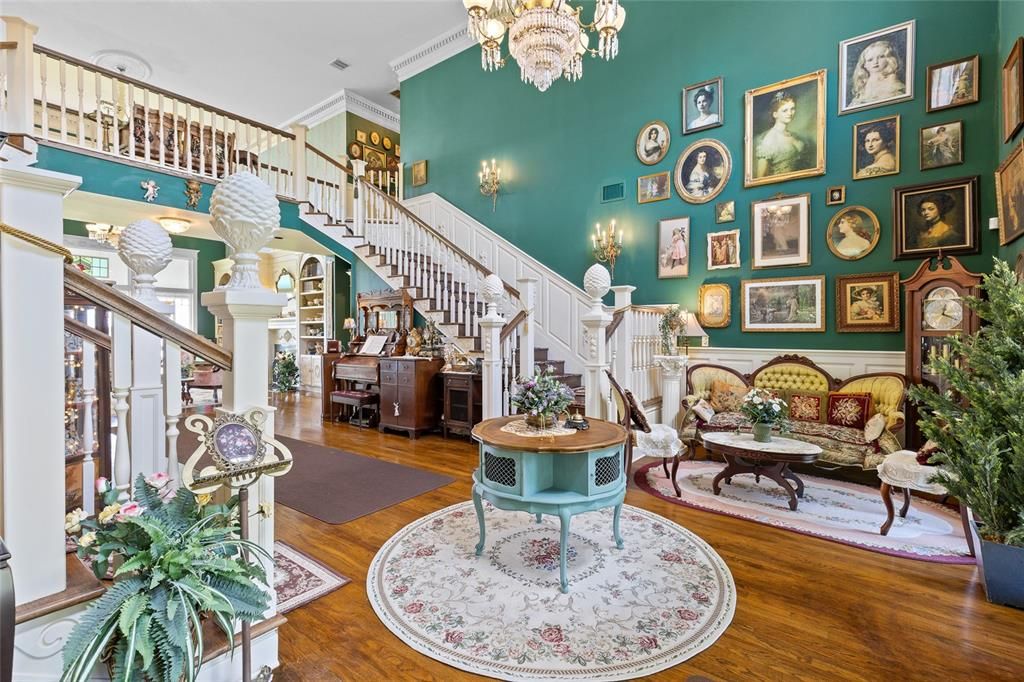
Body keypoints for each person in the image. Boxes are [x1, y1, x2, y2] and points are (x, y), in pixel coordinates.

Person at [754, 91, 808, 178]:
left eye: (792, 109)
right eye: (785, 110)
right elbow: (760, 177)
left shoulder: (793, 135)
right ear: (775, 114)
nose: (790, 113)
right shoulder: (769, 140)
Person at [850, 39, 906, 106]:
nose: (875, 62)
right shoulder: (863, 85)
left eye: (881, 57)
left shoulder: (894, 84)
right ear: (864, 64)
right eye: (870, 60)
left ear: (889, 59)